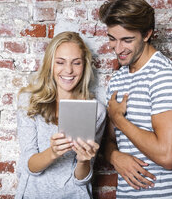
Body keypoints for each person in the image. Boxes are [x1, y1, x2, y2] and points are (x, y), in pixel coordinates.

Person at [99, 0, 172, 198]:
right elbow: (108, 140)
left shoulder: (165, 77)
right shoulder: (118, 79)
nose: (118, 48)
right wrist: (114, 156)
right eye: (112, 39)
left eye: (127, 40)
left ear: (147, 34)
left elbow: (168, 156)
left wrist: (119, 119)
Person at [15, 31, 106, 199]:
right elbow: (29, 166)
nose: (69, 70)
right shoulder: (29, 101)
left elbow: (81, 180)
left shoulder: (96, 110)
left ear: (84, 65)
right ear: (51, 64)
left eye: (76, 63)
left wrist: (84, 160)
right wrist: (53, 153)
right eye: (60, 62)